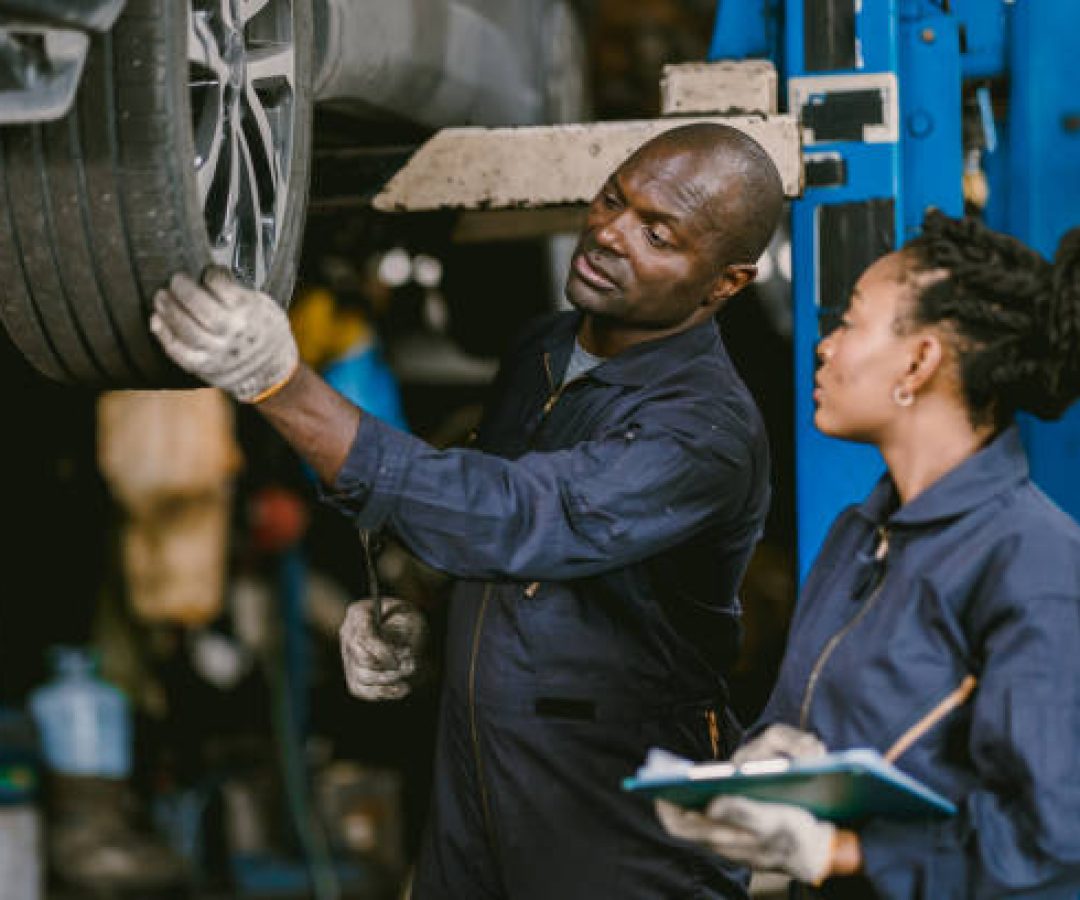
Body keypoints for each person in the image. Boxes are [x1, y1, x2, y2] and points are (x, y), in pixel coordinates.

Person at [149, 122, 785, 899]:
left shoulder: (703, 431)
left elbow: (517, 518)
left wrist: (283, 385)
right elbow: (501, 544)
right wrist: (437, 628)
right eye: (613, 198)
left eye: (657, 233)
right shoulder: (543, 350)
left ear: (725, 282)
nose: (611, 233)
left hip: (619, 822)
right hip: (478, 791)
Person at [658, 211, 1080, 898]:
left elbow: (1051, 837)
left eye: (852, 321)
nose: (826, 346)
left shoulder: (1032, 560)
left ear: (919, 361)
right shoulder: (861, 533)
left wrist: (849, 853)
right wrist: (759, 774)